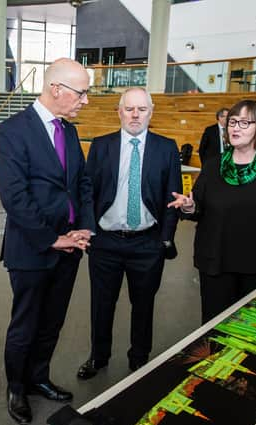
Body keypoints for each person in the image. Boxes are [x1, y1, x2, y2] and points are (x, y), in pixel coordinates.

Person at [0, 58, 95, 425]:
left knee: (53, 321)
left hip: (70, 248)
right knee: (25, 324)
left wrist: (84, 227)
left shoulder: (68, 131)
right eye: (81, 93)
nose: (85, 100)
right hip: (33, 249)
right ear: (57, 89)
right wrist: (52, 238)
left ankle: (38, 378)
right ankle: (17, 388)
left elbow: (81, 183)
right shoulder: (13, 130)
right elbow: (15, 197)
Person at [77, 88, 181, 380]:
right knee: (101, 304)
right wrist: (88, 231)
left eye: (142, 109)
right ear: (119, 111)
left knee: (144, 304)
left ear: (151, 111)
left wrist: (165, 239)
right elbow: (88, 192)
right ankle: (98, 357)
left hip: (148, 243)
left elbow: (172, 197)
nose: (135, 115)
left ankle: (139, 358)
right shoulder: (101, 146)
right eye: (129, 109)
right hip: (106, 242)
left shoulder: (167, 147)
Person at [168, 100, 256, 324]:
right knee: (215, 324)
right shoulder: (214, 165)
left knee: (251, 326)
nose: (235, 127)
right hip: (216, 261)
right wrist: (190, 207)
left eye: (244, 122)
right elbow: (198, 206)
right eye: (232, 122)